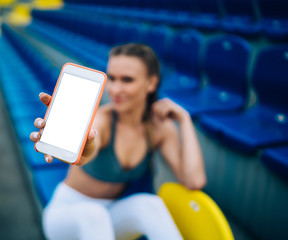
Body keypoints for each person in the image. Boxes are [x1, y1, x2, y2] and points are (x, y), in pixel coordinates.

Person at [30, 43, 206, 240]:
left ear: (151, 83)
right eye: (112, 78)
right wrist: (83, 150)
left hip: (111, 216)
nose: (115, 89)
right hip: (67, 216)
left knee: (150, 204)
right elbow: (89, 148)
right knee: (95, 215)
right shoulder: (103, 120)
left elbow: (193, 180)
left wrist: (185, 119)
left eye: (127, 80)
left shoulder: (159, 128)